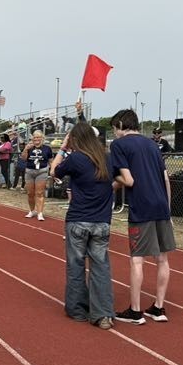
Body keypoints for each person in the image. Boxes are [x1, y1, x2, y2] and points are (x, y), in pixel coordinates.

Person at [109, 109, 174, 325]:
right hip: (161, 206)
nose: (114, 133)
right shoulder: (152, 145)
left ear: (120, 125)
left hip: (142, 207)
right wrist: (168, 207)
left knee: (137, 259)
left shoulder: (119, 145)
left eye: (114, 129)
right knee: (162, 259)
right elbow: (165, 178)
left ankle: (135, 311)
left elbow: (129, 180)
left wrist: (112, 178)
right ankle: (158, 307)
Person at [50, 123, 116, 329]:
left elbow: (54, 171)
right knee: (101, 267)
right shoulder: (108, 158)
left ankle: (78, 309)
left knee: (76, 266)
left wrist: (63, 148)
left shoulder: (77, 158)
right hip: (102, 221)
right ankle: (103, 313)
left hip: (78, 220)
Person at [21, 130, 53, 220]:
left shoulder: (47, 148)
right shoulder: (29, 147)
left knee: (39, 193)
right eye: (35, 137)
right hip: (30, 171)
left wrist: (53, 170)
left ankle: (40, 212)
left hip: (42, 171)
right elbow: (23, 158)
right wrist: (26, 149)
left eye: (38, 137)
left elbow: (51, 160)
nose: (36, 139)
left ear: (42, 138)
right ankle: (32, 210)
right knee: (30, 193)